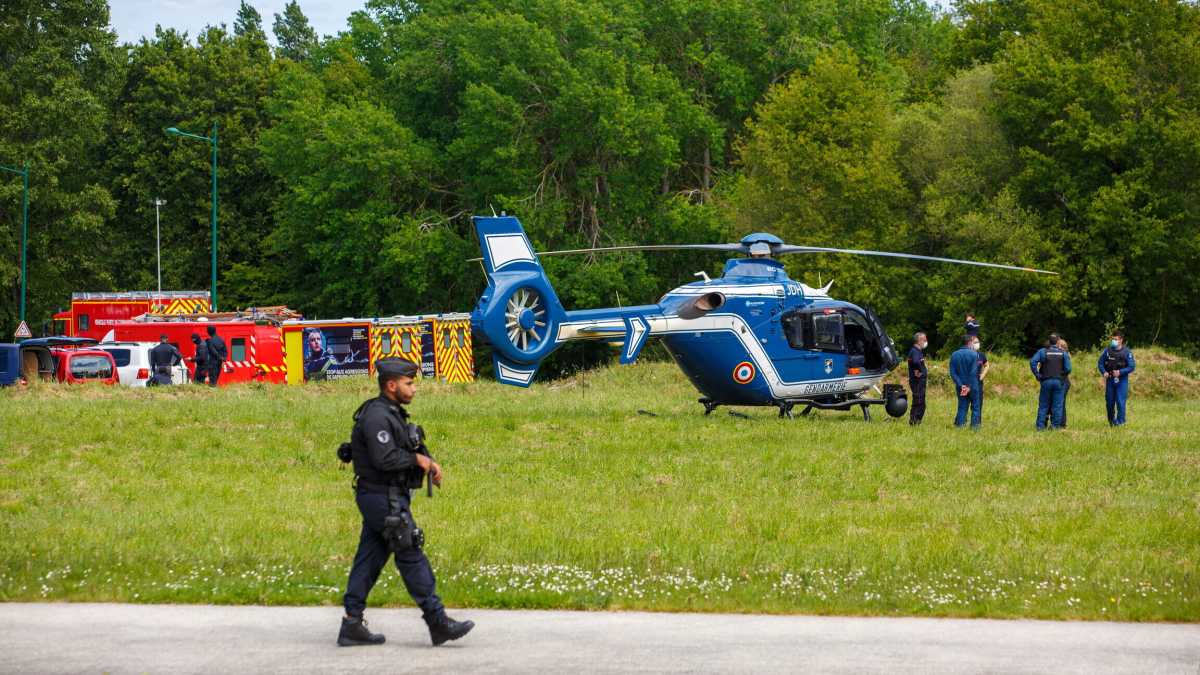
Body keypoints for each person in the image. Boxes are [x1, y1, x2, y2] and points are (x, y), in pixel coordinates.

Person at [338, 358, 474, 648]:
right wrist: (418, 460)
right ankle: (438, 622)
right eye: (408, 383)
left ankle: (351, 623)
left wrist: (427, 463)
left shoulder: (392, 413)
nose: (413, 389)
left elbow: (403, 449)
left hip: (386, 496)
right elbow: (385, 459)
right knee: (409, 549)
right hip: (380, 496)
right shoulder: (376, 416)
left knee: (370, 556)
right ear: (391, 385)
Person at [1030, 334, 1071, 430]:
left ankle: (1040, 427)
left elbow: (1032, 362)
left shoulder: (1043, 351)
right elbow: (1068, 368)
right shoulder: (1063, 353)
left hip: (1045, 381)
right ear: (1057, 342)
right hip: (1058, 382)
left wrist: (1037, 375)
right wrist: (1062, 375)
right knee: (1057, 405)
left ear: (1049, 341)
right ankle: (1055, 426)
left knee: (1044, 404)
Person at [1098, 331, 1136, 426]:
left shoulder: (1127, 352)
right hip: (1110, 380)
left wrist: (1120, 372)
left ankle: (1121, 422)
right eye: (1113, 339)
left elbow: (1132, 367)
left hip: (1122, 381)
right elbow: (1100, 363)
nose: (1113, 341)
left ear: (1121, 340)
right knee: (1109, 403)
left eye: (1115, 339)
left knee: (1120, 402)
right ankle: (1111, 422)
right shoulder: (1107, 351)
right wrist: (1104, 372)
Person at [949, 334, 982, 428]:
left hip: (960, 386)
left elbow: (952, 372)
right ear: (969, 342)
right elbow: (973, 372)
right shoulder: (975, 354)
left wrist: (961, 385)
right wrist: (968, 386)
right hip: (973, 385)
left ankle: (959, 425)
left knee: (962, 406)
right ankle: (975, 427)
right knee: (975, 406)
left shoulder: (954, 354)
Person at [907, 332, 928, 425]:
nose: (926, 341)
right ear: (919, 341)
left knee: (921, 401)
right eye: (924, 339)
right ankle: (914, 421)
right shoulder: (915, 351)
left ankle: (917, 420)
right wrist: (918, 370)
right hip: (917, 381)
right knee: (918, 401)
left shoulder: (918, 351)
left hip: (920, 381)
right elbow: (915, 362)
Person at [1058, 338, 1072, 427]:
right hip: (1062, 381)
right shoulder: (1062, 354)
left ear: (1061, 346)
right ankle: (1061, 423)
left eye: (1058, 345)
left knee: (1061, 402)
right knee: (1060, 402)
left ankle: (1062, 423)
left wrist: (1059, 374)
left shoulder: (1064, 355)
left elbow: (1068, 370)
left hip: (1064, 381)